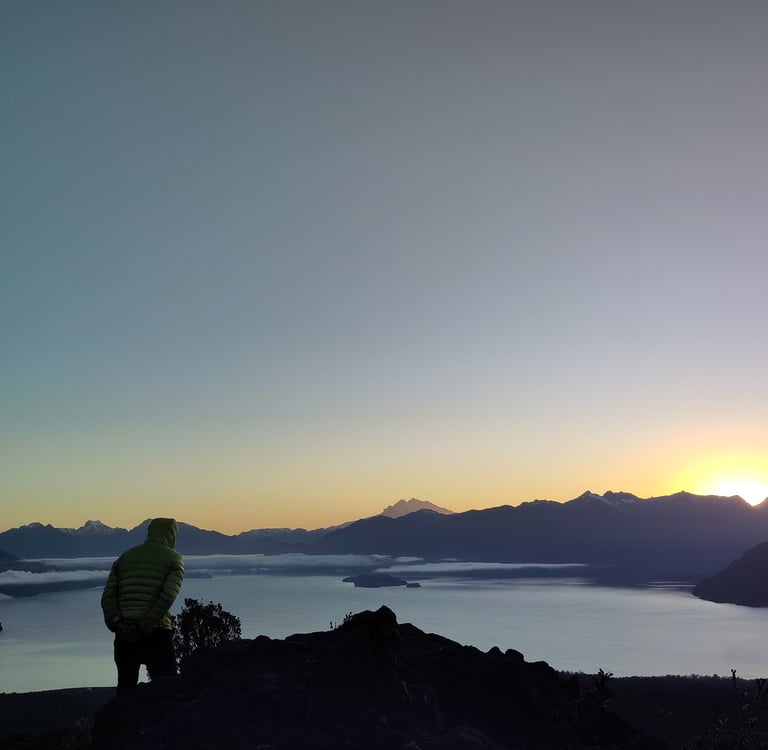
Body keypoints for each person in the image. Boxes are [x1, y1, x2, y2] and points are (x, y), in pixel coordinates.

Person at [101, 517, 184, 693]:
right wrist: (145, 625)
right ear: (172, 535)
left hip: (124, 634)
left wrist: (117, 623)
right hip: (157, 634)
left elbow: (108, 597)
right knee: (167, 689)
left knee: (125, 690)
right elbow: (168, 596)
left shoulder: (124, 558)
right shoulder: (173, 559)